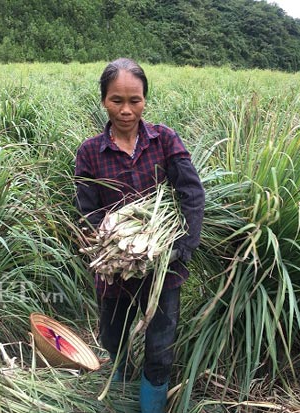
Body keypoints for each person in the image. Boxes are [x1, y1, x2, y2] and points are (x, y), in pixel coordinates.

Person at [74, 58, 205, 413]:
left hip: (165, 267)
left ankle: (151, 404)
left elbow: (191, 192)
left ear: (145, 100)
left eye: (135, 100)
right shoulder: (90, 151)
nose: (127, 110)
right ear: (103, 100)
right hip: (115, 266)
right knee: (113, 336)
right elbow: (87, 208)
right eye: (117, 100)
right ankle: (118, 393)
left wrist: (182, 245)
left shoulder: (164, 139)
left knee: (160, 346)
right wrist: (112, 239)